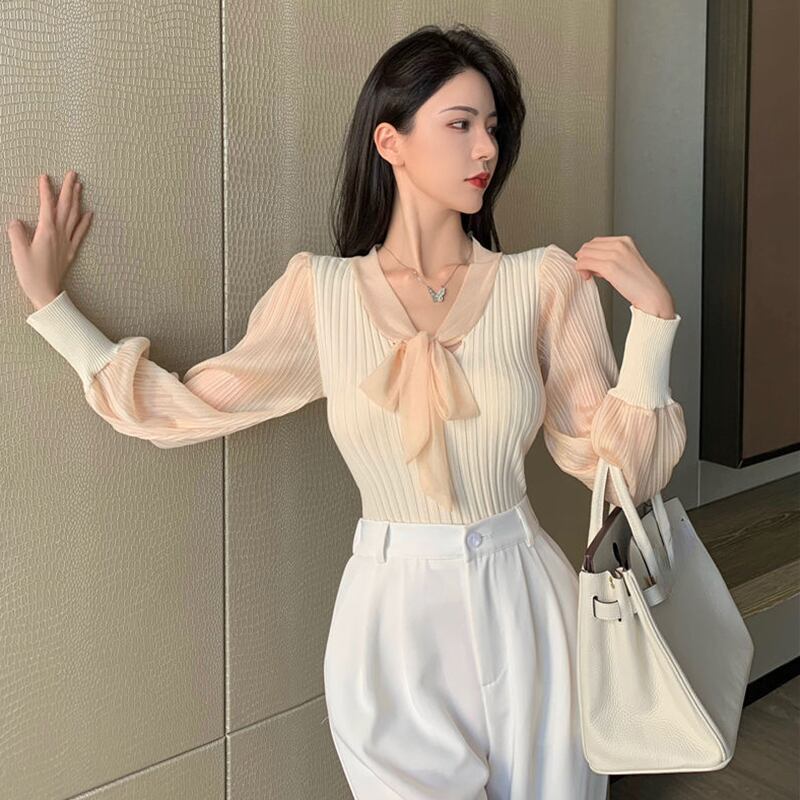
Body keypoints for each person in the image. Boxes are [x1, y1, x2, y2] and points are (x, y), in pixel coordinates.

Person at [9, 23, 685, 800]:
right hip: (390, 615)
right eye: (460, 124)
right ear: (390, 141)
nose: (486, 149)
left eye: (493, 128)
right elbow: (182, 408)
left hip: (528, 600)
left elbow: (622, 472)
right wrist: (54, 309)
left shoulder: (543, 282)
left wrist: (653, 324)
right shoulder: (321, 294)